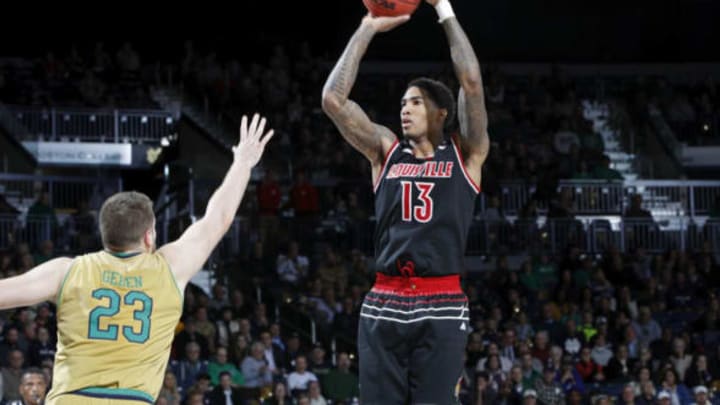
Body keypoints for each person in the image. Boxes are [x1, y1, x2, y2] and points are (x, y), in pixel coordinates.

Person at [0, 114, 274, 404]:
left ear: (105, 235)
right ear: (148, 237)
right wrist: (243, 162)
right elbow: (218, 218)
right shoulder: (169, 268)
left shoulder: (69, 271)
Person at [321, 0, 489, 402]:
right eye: (402, 103)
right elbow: (333, 100)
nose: (405, 109)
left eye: (415, 102)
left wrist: (444, 9)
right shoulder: (385, 151)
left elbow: (471, 83)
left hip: (442, 301)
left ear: (441, 113)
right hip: (385, 299)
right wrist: (367, 27)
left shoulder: (466, 153)